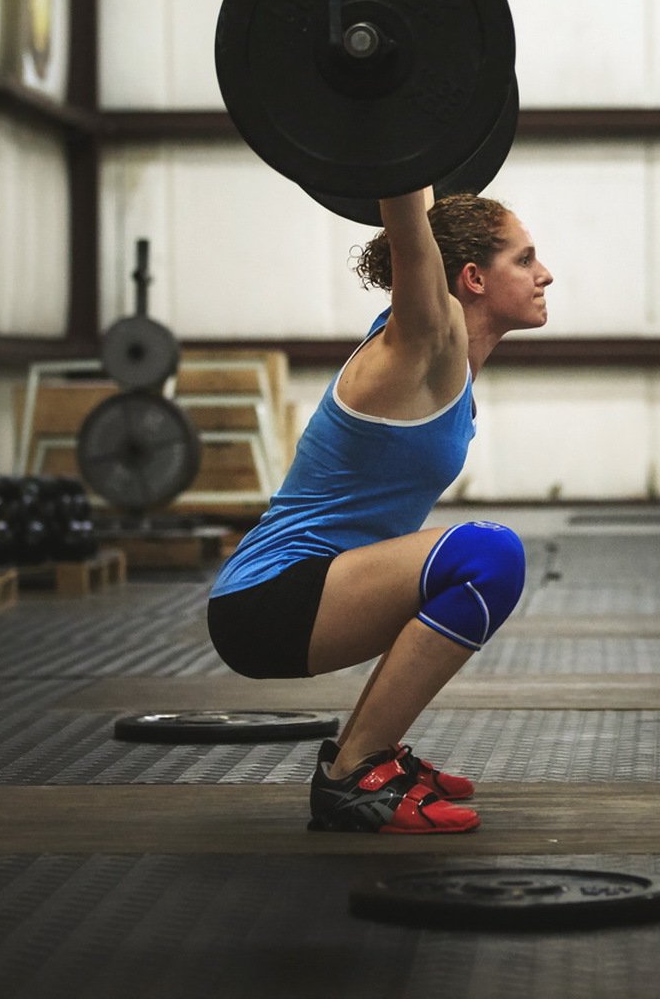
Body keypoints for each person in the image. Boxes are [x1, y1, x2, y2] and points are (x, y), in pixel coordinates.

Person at [205, 186, 553, 834]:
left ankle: (367, 754)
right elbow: (407, 222)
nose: (545, 273)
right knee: (489, 554)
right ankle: (351, 775)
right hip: (267, 601)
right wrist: (397, 150)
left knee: (481, 555)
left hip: (311, 593)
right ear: (471, 278)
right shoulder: (424, 338)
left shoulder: (444, 361)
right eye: (526, 258)